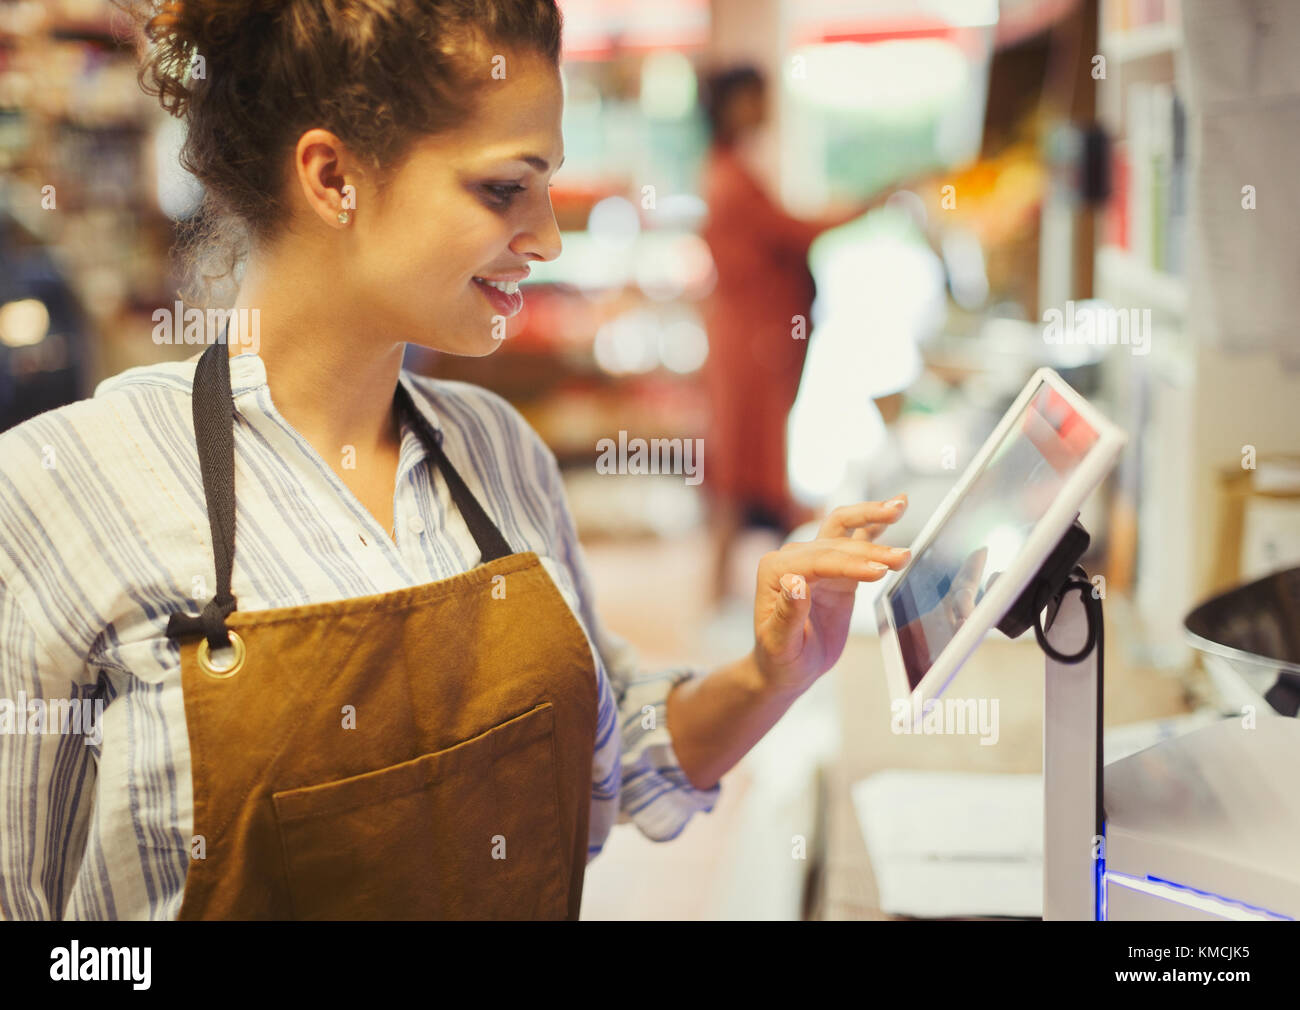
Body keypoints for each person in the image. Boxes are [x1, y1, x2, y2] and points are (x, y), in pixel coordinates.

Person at [0, 0, 911, 921]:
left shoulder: (497, 451)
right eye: (505, 189)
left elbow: (618, 757)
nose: (548, 236)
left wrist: (772, 671)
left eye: (546, 186)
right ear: (333, 177)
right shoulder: (63, 490)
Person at [698, 64, 897, 607]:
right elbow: (792, 230)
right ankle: (727, 593)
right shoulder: (730, 177)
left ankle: (733, 589)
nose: (767, 108)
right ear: (736, 104)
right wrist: (866, 204)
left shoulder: (730, 170)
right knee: (742, 469)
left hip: (753, 338)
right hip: (752, 343)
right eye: (757, 98)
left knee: (747, 466)